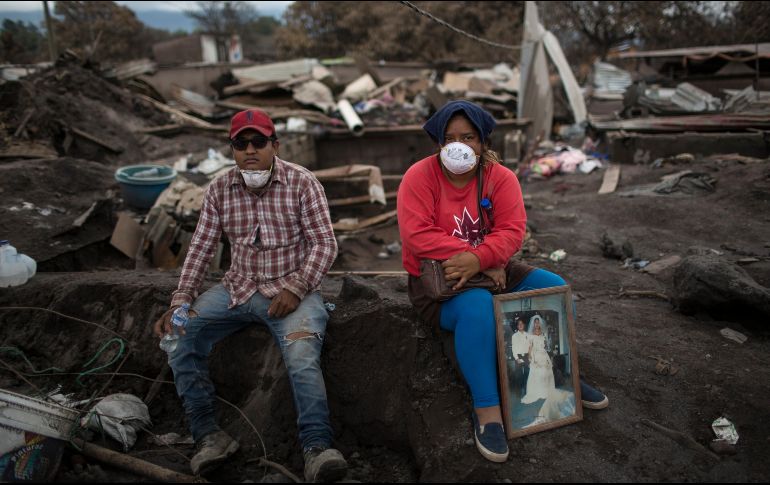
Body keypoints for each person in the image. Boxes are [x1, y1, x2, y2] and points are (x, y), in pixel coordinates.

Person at [397, 100, 609, 464]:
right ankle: (488, 411)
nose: (459, 146)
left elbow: (512, 231)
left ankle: (563, 376)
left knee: (555, 291)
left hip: (492, 266)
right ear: (439, 144)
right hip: (437, 279)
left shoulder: (500, 178)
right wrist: (481, 259)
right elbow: (417, 236)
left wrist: (484, 259)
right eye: (450, 139)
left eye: (468, 137)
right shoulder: (419, 176)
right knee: (479, 311)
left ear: (482, 141)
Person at [153, 109, 348, 482]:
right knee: (177, 335)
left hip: (293, 290)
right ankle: (209, 436)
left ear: (275, 145)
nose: (250, 150)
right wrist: (179, 302)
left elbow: (325, 244)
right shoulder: (218, 189)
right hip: (237, 288)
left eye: (258, 141)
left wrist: (296, 288)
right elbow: (200, 248)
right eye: (241, 143)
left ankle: (316, 447)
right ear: (232, 150)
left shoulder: (302, 183)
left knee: (302, 353)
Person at [521, 316, 555, 404]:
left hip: (544, 354)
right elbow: (530, 347)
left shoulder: (543, 333)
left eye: (538, 322)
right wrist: (530, 357)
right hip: (535, 355)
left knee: (547, 373)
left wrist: (548, 352)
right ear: (533, 324)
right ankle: (538, 392)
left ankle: (546, 392)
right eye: (535, 322)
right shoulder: (531, 334)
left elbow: (546, 346)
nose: (537, 324)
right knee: (538, 374)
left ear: (540, 324)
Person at [510, 318, 530, 397]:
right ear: (517, 326)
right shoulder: (514, 336)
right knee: (519, 374)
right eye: (519, 324)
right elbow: (513, 348)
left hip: (526, 356)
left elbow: (529, 346)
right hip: (518, 356)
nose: (520, 325)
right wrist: (516, 358)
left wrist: (529, 356)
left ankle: (526, 389)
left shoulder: (527, 335)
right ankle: (520, 389)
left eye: (522, 323)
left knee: (527, 373)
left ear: (524, 325)